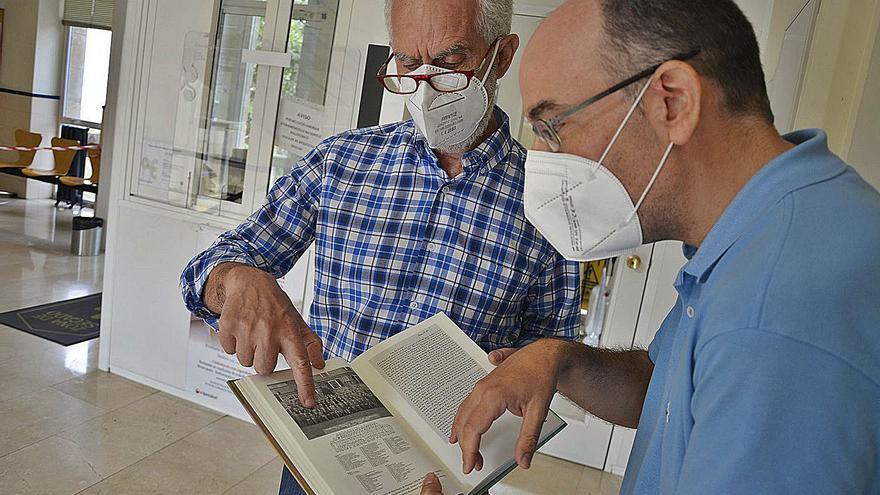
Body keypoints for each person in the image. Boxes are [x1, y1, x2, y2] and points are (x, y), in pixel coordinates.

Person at [421, 0, 880, 493]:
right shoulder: (761, 231)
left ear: (674, 102)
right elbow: (668, 390)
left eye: (553, 126)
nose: (540, 158)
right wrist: (562, 359)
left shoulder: (777, 306)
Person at [179, 1, 582, 494]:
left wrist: (529, 372)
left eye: (452, 62)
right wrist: (237, 278)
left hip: (444, 472)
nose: (427, 90)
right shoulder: (341, 164)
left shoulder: (548, 207)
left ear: (501, 57)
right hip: (320, 458)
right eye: (409, 64)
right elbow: (206, 270)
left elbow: (552, 359)